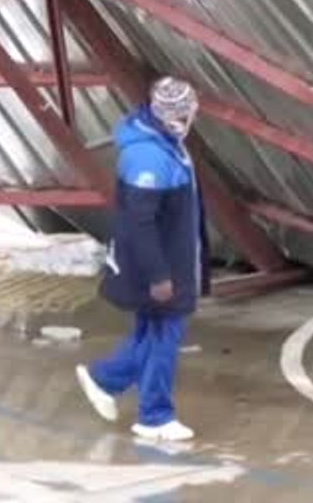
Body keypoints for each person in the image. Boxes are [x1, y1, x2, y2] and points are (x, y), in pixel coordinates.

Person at [76, 76, 207, 442]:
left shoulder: (164, 143)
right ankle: (153, 415)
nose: (192, 117)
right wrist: (159, 275)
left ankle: (109, 383)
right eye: (189, 112)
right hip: (160, 267)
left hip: (168, 259)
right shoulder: (149, 158)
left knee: (152, 334)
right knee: (163, 339)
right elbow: (140, 223)